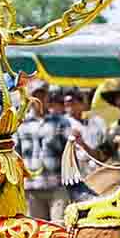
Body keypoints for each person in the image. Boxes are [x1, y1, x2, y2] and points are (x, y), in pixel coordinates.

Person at [16, 92, 74, 220]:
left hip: (57, 186)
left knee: (59, 230)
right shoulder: (20, 123)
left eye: (43, 95)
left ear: (48, 97)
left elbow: (70, 154)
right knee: (37, 232)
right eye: (36, 95)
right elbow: (16, 155)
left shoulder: (62, 122)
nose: (40, 99)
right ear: (29, 98)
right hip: (31, 187)